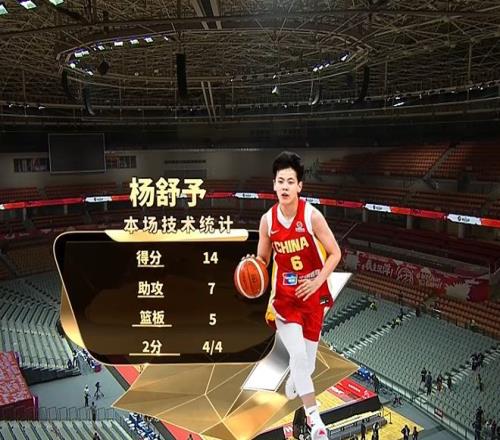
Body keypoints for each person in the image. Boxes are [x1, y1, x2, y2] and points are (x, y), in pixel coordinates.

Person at [251, 151, 342, 440]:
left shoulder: (311, 216)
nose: (285, 186)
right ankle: (315, 419)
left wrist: (317, 281)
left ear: (300, 186)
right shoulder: (267, 221)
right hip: (286, 298)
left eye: (291, 181)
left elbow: (336, 253)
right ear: (274, 185)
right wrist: (251, 267)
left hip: (312, 296)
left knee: (307, 364)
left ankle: (295, 376)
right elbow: (262, 260)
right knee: (299, 355)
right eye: (280, 181)